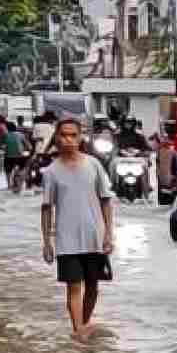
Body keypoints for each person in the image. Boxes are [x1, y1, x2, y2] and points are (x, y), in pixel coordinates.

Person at [37, 117, 113, 339]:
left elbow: (106, 200)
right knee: (73, 287)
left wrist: (109, 234)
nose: (68, 139)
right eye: (64, 135)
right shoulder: (51, 172)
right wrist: (47, 242)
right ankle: (78, 331)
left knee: (93, 287)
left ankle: (83, 326)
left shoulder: (93, 165)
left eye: (73, 135)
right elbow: (46, 208)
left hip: (94, 237)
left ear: (81, 138)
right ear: (57, 138)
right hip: (66, 240)